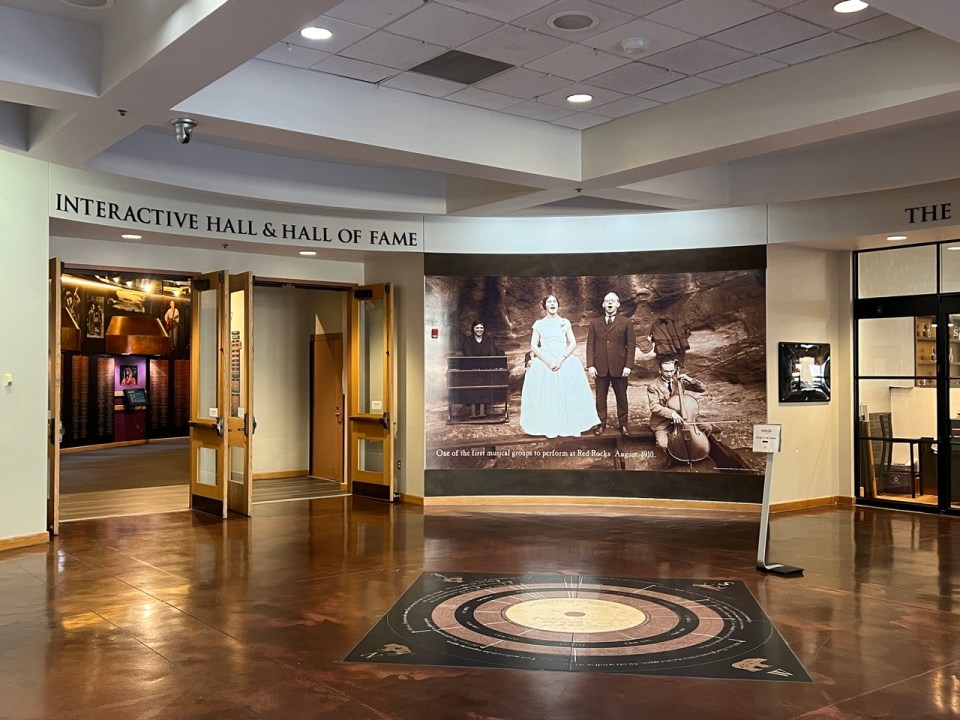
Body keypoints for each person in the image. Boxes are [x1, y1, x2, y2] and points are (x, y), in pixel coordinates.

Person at [519, 295, 600, 438]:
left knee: (568, 393)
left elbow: (573, 343)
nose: (552, 304)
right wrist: (548, 362)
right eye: (549, 302)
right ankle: (549, 426)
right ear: (544, 306)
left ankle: (569, 425)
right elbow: (533, 345)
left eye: (554, 301)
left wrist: (562, 359)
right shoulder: (539, 324)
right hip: (546, 361)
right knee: (548, 394)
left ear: (558, 305)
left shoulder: (565, 322)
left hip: (564, 360)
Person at [647, 356, 712, 467]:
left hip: (685, 418)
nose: (669, 374)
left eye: (671, 371)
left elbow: (703, 389)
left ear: (675, 370)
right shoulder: (653, 386)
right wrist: (672, 414)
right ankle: (672, 458)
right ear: (660, 370)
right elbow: (654, 406)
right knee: (663, 444)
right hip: (664, 422)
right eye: (666, 371)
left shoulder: (679, 381)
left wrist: (690, 379)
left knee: (707, 427)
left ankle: (696, 449)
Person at [586, 292, 636, 436]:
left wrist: (628, 366)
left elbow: (631, 346)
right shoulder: (594, 323)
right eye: (607, 300)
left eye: (612, 301)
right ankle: (601, 424)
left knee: (622, 397)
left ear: (617, 304)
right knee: (600, 398)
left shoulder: (626, 322)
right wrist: (590, 365)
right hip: (600, 367)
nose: (609, 303)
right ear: (603, 304)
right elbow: (590, 346)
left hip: (620, 368)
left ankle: (624, 424)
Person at [460, 320, 501, 418]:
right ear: (473, 329)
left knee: (484, 382)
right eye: (477, 328)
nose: (479, 330)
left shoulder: (489, 339)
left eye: (481, 328)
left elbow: (492, 354)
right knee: (473, 384)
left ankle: (483, 409)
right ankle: (473, 410)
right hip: (472, 370)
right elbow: (468, 355)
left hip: (486, 369)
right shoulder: (468, 340)